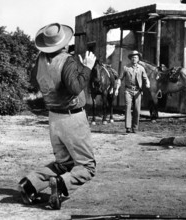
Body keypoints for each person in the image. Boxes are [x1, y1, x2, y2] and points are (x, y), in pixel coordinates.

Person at [17, 23, 97, 210]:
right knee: (87, 167)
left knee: (64, 163)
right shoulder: (67, 60)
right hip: (72, 118)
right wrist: (87, 67)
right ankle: (60, 186)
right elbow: (76, 88)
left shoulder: (40, 59)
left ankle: (30, 184)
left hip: (53, 118)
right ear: (64, 42)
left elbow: (33, 81)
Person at [114, 50, 150, 133]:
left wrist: (148, 83)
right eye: (133, 57)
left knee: (137, 109)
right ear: (130, 58)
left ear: (138, 59)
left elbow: (145, 78)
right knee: (128, 108)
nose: (134, 59)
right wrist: (117, 89)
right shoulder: (126, 67)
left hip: (137, 91)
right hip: (128, 90)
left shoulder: (141, 68)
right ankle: (128, 127)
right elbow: (120, 78)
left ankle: (135, 127)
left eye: (136, 57)